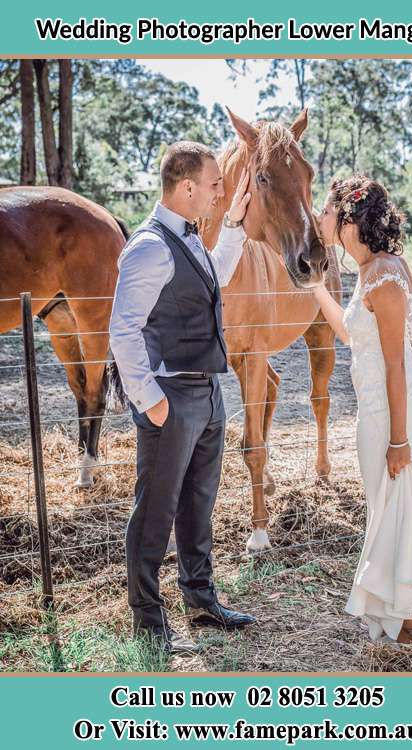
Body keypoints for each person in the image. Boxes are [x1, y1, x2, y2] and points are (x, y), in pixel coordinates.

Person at [110, 141, 256, 655]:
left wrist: (234, 225)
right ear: (188, 187)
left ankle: (200, 598)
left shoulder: (191, 238)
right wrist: (150, 400)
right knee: (155, 511)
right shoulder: (149, 246)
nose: (219, 193)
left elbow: (213, 275)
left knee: (199, 504)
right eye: (216, 184)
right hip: (170, 395)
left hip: (207, 391)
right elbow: (123, 330)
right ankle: (148, 623)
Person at [313, 175, 412, 645]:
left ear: (347, 219)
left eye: (325, 211)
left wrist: (399, 440)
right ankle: (406, 614)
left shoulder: (386, 276)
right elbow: (352, 335)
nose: (319, 218)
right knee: (389, 505)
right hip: (377, 405)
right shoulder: (370, 268)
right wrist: (314, 288)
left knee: (396, 502)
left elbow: (395, 363)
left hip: (393, 407)